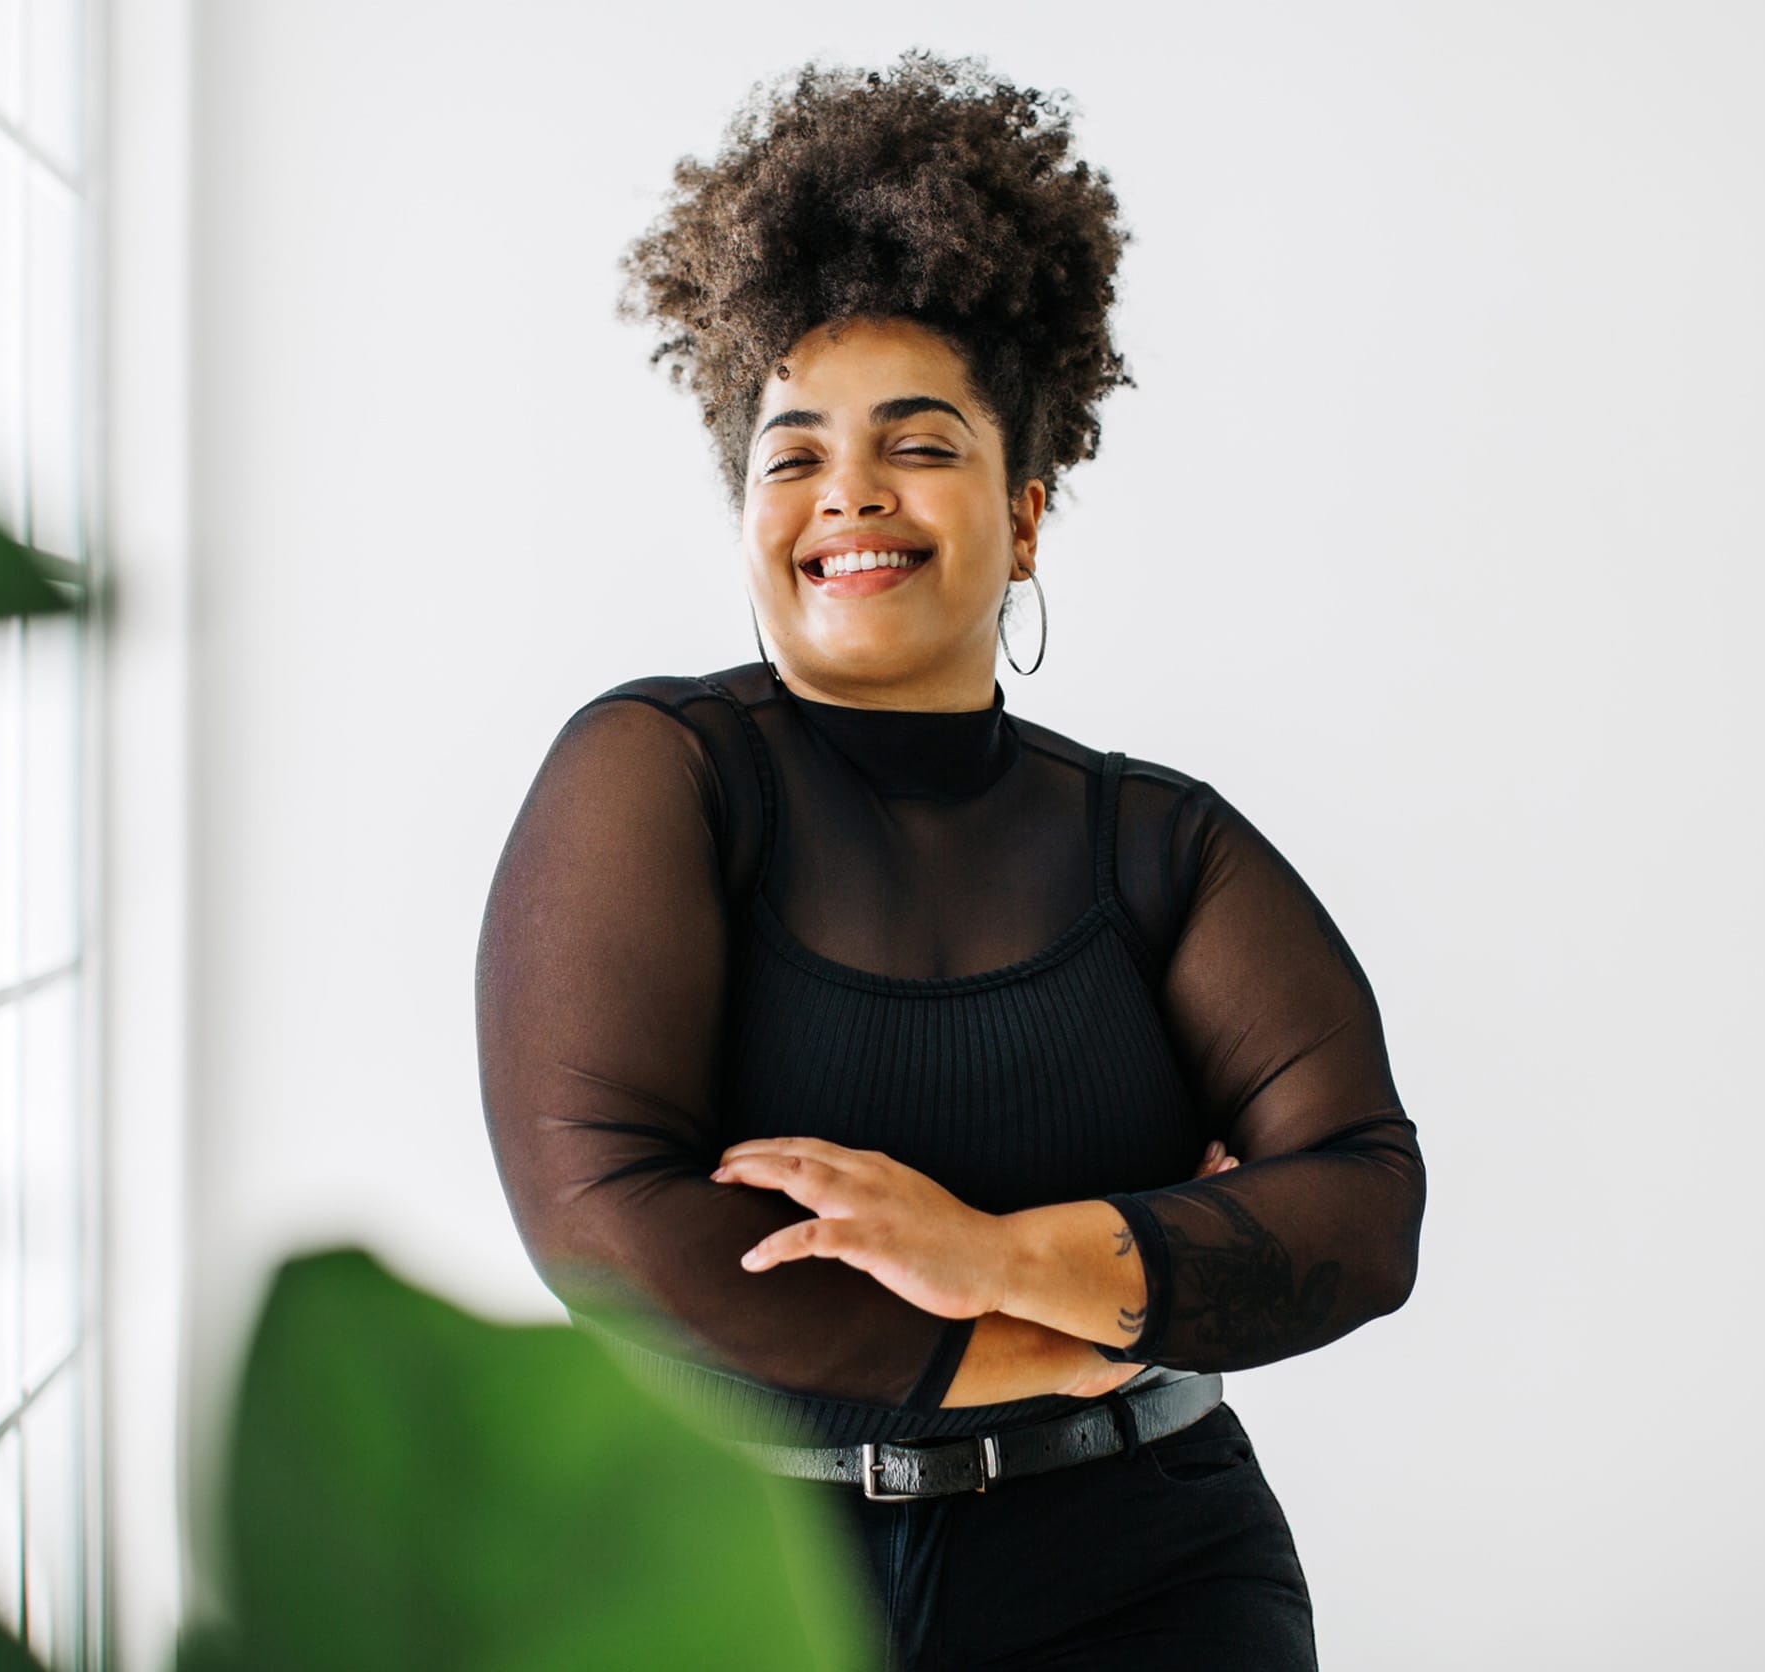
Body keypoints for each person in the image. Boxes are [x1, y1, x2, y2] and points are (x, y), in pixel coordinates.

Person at [475, 50, 1426, 1670]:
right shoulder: (658, 775)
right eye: (792, 455)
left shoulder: (1164, 845)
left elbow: (1361, 1205)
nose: (848, 493)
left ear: (1026, 514)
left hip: (1150, 1576)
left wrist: (991, 1254)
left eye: (916, 444)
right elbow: (608, 1223)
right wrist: (1035, 1334)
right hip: (735, 1585)